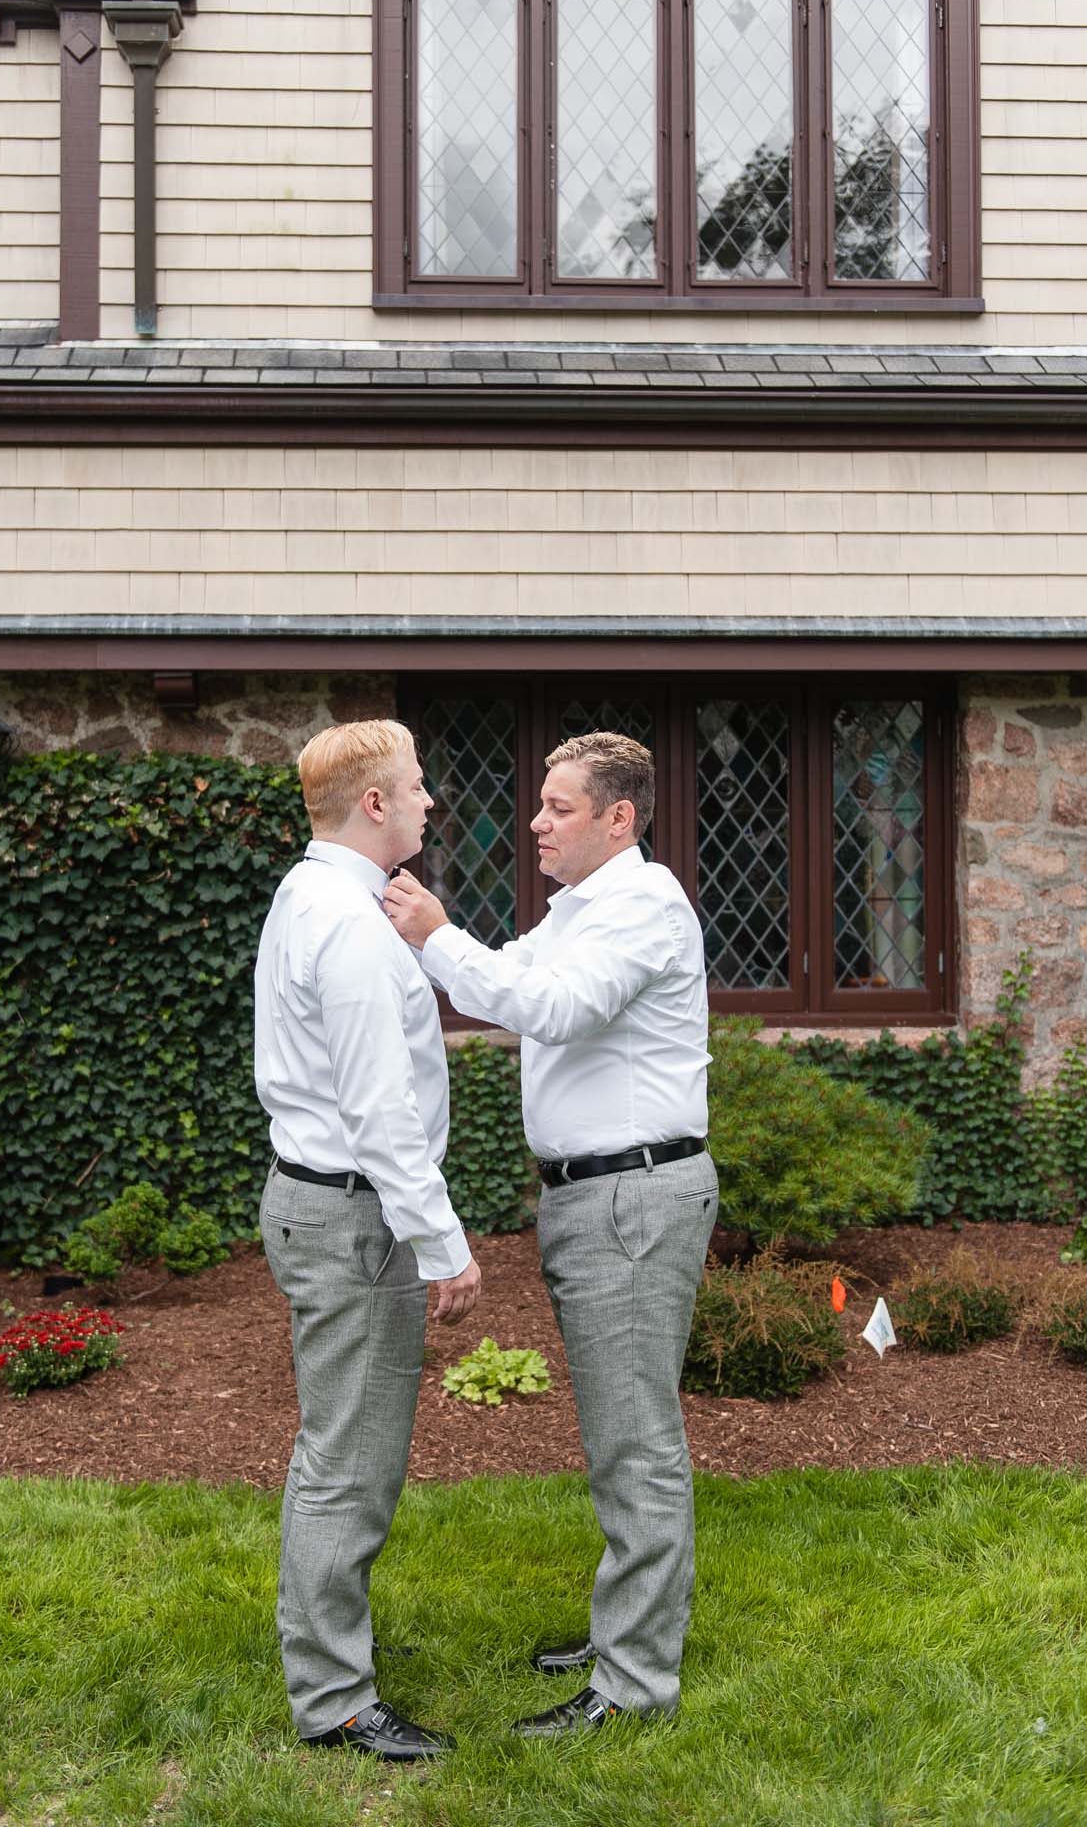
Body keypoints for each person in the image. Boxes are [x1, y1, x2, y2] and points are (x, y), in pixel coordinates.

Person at [385, 731, 716, 1738]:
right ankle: (630, 1629)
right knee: (619, 1434)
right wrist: (424, 940)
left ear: (618, 818)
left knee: (636, 1442)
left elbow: (552, 1008)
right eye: (539, 803)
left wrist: (435, 931)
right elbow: (501, 977)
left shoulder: (644, 906)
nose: (534, 821)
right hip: (595, 1198)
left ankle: (634, 1680)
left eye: (558, 806)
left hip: (632, 1197)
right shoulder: (578, 909)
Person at [254, 717, 481, 1763]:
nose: (431, 799)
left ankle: (330, 1643)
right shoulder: (343, 921)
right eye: (417, 784)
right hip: (353, 1215)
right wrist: (443, 1242)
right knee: (347, 1461)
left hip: (334, 1205)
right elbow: (379, 1108)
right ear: (375, 802)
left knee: (343, 1450)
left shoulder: (318, 896)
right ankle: (335, 1696)